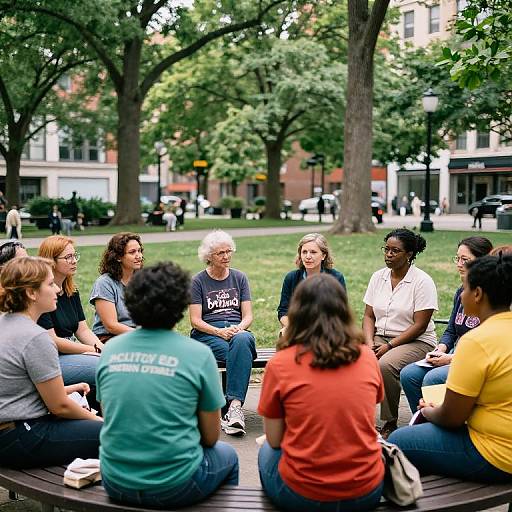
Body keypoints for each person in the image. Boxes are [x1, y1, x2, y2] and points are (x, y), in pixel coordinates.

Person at [97, 262, 238, 508]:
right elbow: (211, 437)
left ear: (131, 302)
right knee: (228, 456)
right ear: (182, 305)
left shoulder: (109, 351)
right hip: (174, 485)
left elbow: (112, 416)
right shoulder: (198, 354)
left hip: (115, 480)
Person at [258, 274, 384, 512]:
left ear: (297, 312)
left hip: (304, 495)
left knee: (266, 450)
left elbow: (275, 440)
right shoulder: (367, 357)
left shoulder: (281, 363)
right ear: (343, 310)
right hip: (366, 489)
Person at [389, 254, 512, 483]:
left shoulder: (477, 341)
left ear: (478, 294)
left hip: (496, 454)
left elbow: (452, 418)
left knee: (400, 440)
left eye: (464, 288)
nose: (461, 294)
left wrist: (427, 411)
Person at [0, 256, 102, 468]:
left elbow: (16, 388)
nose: (57, 289)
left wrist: (69, 388)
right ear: (31, 292)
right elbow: (60, 407)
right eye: (50, 284)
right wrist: (101, 423)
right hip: (21, 436)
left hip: (9, 431)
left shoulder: (5, 323)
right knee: (116, 433)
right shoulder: (36, 337)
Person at [400, 236, 493, 412]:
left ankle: (442, 424)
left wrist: (451, 359)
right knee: (409, 374)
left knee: (432, 379)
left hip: (471, 359)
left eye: (465, 259)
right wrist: (440, 349)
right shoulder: (461, 292)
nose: (459, 264)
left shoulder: (491, 297)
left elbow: (488, 348)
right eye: (457, 258)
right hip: (452, 353)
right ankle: (421, 423)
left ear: (483, 261)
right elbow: (451, 329)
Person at [362, 228, 438, 439]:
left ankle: (389, 421)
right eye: (386, 249)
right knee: (354, 360)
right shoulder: (378, 277)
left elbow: (420, 325)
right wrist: (369, 343)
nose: (388, 254)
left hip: (416, 340)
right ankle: (358, 419)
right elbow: (368, 316)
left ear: (410, 254)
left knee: (385, 365)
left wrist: (389, 346)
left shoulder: (422, 281)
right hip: (379, 337)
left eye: (395, 251)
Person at [189, 230, 256, 436]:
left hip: (237, 332)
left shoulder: (239, 278)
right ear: (209, 256)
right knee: (241, 354)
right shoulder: (198, 281)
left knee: (243, 340)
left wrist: (239, 328)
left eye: (229, 251)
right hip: (207, 334)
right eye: (220, 253)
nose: (226, 256)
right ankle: (232, 411)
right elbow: (195, 320)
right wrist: (218, 332)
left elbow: (248, 315)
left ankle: (233, 407)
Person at [38, 236, 104, 391]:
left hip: (73, 353)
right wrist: (92, 351)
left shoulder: (71, 291)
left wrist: (102, 349)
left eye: (75, 256)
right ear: (51, 261)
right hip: (53, 359)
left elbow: (83, 330)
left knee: (111, 360)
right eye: (68, 257)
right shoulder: (42, 295)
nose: (74, 261)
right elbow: (53, 341)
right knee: (106, 367)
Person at [277, 233, 346, 334]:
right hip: (297, 329)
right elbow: (283, 311)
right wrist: (292, 327)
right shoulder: (291, 278)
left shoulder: (336, 277)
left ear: (323, 255)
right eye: (304, 252)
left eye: (313, 252)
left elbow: (341, 311)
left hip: (328, 329)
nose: (308, 256)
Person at [89, 233, 142, 343]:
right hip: (110, 338)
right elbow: (111, 326)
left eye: (139, 251)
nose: (138, 256)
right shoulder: (104, 283)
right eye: (132, 252)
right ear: (118, 257)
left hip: (138, 335)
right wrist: (144, 335)